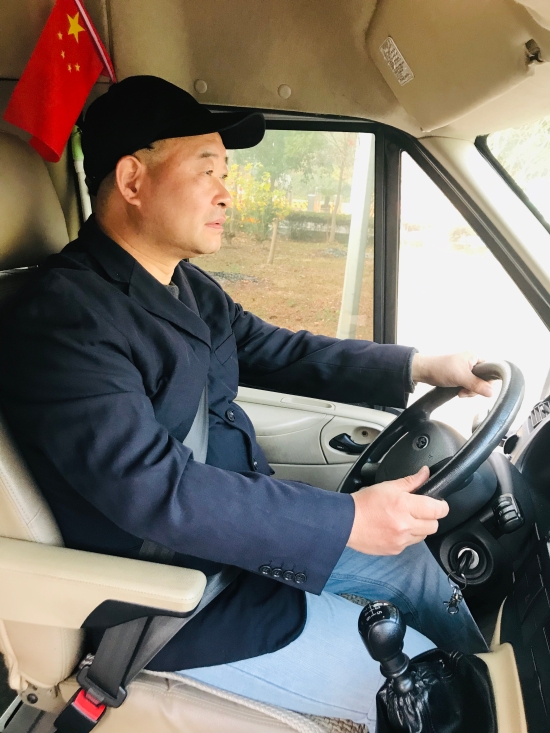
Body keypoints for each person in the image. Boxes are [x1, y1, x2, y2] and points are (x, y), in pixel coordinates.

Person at [0, 76, 492, 728]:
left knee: (414, 571)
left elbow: (279, 350)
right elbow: (157, 491)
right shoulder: (64, 318)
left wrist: (421, 366)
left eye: (225, 173)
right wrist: (343, 521)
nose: (226, 192)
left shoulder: (185, 286)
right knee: (431, 690)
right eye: (206, 170)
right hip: (176, 599)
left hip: (239, 542)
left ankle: (497, 682)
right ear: (132, 180)